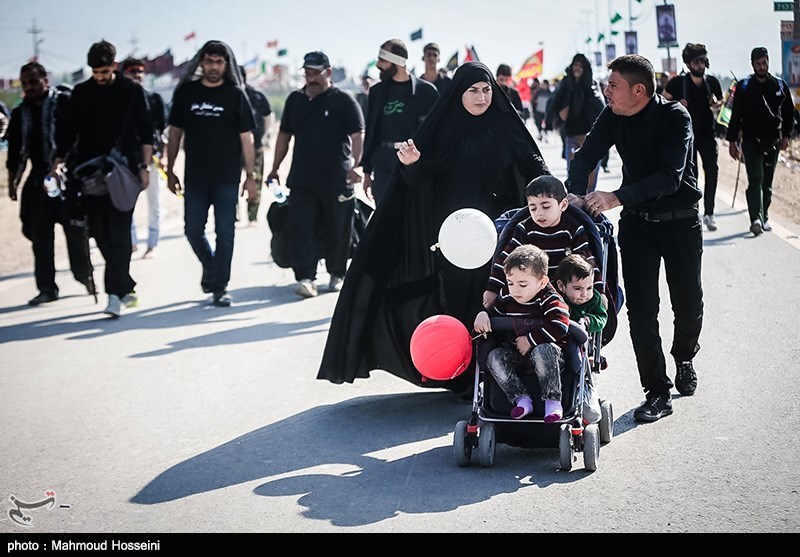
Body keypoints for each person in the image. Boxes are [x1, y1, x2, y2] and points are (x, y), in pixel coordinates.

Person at [317, 61, 550, 392]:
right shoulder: (444, 130)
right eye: (473, 91)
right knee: (460, 301)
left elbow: (535, 168)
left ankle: (506, 376)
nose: (481, 97)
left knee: (501, 298)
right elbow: (423, 182)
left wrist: (551, 191)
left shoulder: (508, 127)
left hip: (500, 233)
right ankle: (467, 377)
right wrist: (411, 166)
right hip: (454, 235)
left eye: (486, 90)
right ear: (458, 94)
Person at [565, 54, 703, 422]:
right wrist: (573, 195)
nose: (605, 91)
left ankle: (684, 354)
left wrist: (614, 196)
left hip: (680, 223)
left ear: (638, 90)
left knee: (688, 305)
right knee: (642, 310)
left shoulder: (675, 118)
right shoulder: (612, 115)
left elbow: (669, 177)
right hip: (638, 226)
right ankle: (656, 392)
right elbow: (585, 156)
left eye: (612, 85)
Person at [58, 40, 153, 318]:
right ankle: (126, 286)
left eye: (103, 71)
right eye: (95, 72)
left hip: (123, 172)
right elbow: (67, 132)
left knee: (121, 233)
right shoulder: (81, 93)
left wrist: (144, 167)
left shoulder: (131, 91)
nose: (99, 77)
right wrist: (57, 163)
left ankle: (113, 294)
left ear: (114, 66)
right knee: (99, 233)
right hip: (88, 174)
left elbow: (145, 131)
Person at [166, 40, 256, 308]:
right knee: (193, 230)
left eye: (218, 62)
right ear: (201, 63)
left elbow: (247, 139)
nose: (213, 67)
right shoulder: (187, 93)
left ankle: (220, 286)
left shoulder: (235, 95)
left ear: (225, 65)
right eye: (209, 61)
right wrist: (170, 170)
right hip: (195, 176)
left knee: (225, 232)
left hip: (227, 177)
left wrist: (251, 176)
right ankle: (211, 266)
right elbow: (174, 134)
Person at [267, 51, 364, 299]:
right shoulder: (295, 101)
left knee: (338, 228)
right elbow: (284, 137)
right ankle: (306, 278)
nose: (310, 78)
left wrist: (356, 165)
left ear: (328, 73)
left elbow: (357, 135)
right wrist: (275, 167)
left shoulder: (343, 101)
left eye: (315, 73)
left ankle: (337, 273)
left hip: (337, 179)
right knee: (301, 228)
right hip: (302, 179)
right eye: (307, 73)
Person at [5, 62, 94, 306]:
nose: (29, 87)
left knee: (76, 234)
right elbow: (14, 150)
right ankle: (47, 287)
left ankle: (85, 276)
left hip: (67, 180)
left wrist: (64, 165)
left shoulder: (64, 103)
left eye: (33, 81)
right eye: (24, 83)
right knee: (39, 237)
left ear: (46, 79)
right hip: (37, 182)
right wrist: (13, 180)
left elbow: (78, 137)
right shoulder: (20, 113)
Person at [474, 244, 570, 422]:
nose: (515, 289)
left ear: (541, 282)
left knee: (544, 351)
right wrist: (482, 315)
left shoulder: (550, 298)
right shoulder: (506, 296)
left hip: (550, 357)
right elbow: (493, 314)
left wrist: (531, 340)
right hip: (517, 355)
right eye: (510, 283)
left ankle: (552, 402)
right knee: (494, 356)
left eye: (522, 284)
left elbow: (560, 324)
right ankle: (521, 398)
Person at [484, 175, 603, 309]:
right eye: (533, 208)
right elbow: (505, 260)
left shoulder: (573, 229)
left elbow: (587, 262)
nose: (539, 213)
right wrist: (492, 290)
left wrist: (600, 291)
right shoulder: (524, 229)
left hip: (566, 294)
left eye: (546, 206)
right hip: (531, 292)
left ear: (563, 205)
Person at [360, 39, 439, 206]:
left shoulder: (426, 93)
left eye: (382, 60)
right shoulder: (376, 92)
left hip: (413, 167)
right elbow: (371, 131)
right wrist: (367, 171)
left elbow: (436, 133)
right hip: (382, 165)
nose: (378, 65)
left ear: (396, 61)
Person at [725, 47, 794, 236]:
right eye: (758, 64)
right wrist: (732, 141)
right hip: (750, 141)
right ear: (753, 64)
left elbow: (789, 114)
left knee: (767, 183)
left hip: (773, 140)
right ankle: (755, 218)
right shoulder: (745, 87)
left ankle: (765, 216)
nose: (762, 67)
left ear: (768, 62)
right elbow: (735, 115)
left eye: (764, 63)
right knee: (756, 178)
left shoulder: (779, 86)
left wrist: (786, 136)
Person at [663, 44, 723, 232]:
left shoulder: (712, 82)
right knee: (691, 175)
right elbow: (661, 103)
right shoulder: (678, 83)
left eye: (703, 60)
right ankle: (693, 209)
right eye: (697, 61)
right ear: (688, 63)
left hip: (707, 134)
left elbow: (721, 106)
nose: (701, 64)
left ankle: (710, 213)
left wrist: (716, 104)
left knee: (712, 170)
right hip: (686, 137)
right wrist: (676, 104)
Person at [120, 57, 167, 258]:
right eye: (132, 71)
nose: (137, 75)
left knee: (154, 201)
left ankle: (152, 244)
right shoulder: (119, 99)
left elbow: (161, 131)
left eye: (140, 71)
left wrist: (162, 156)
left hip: (152, 158)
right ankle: (131, 242)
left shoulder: (154, 99)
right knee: (126, 203)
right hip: (127, 159)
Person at [546, 53, 605, 192]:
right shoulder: (566, 84)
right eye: (575, 65)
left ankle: (588, 205)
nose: (577, 68)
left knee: (590, 176)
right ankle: (576, 205)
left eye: (580, 65)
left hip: (589, 137)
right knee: (573, 174)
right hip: (571, 135)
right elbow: (554, 101)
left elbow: (600, 108)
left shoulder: (591, 85)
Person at [239, 65, 273, 224]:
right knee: (231, 182)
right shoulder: (229, 97)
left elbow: (267, 117)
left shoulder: (257, 97)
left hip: (256, 147)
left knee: (256, 181)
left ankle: (252, 215)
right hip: (233, 149)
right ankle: (233, 214)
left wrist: (264, 136)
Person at [554, 253, 607, 335]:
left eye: (589, 288)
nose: (584, 294)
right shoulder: (555, 299)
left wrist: (588, 321)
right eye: (578, 289)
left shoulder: (595, 299)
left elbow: (602, 317)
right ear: (561, 286)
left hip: (580, 338)